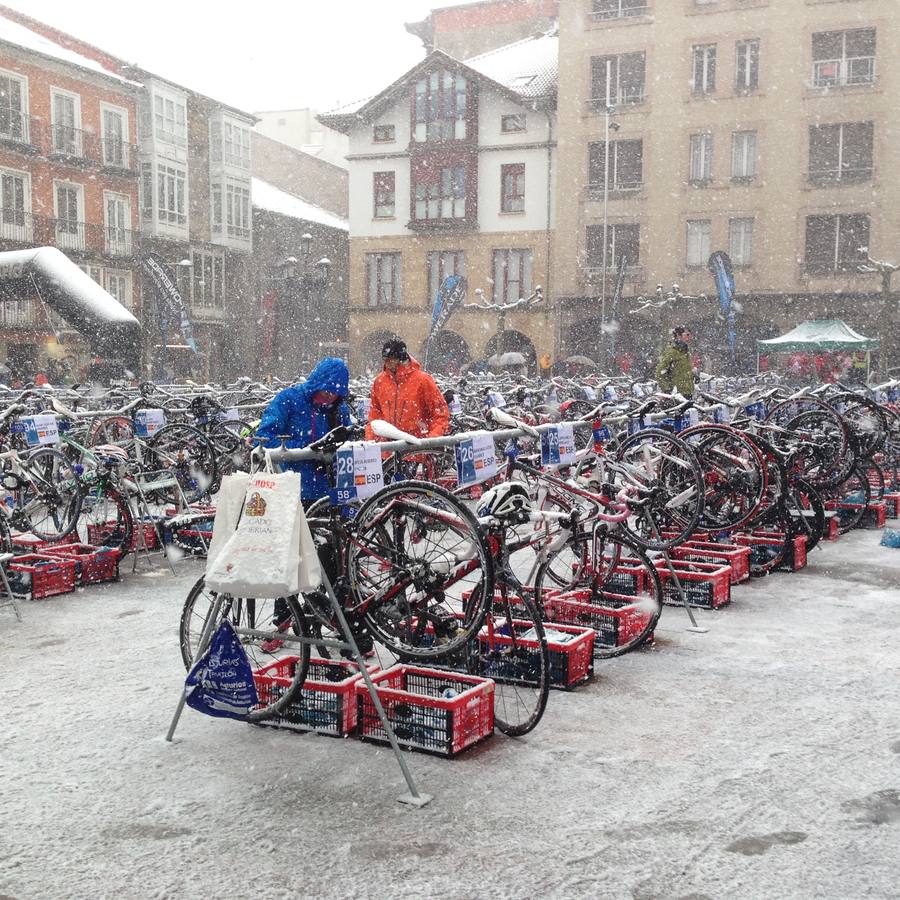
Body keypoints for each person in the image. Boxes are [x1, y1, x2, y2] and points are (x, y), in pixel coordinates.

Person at [255, 356, 352, 504]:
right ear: (317, 383)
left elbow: (348, 440)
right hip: (293, 489)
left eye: (335, 394)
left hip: (331, 489)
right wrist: (302, 449)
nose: (330, 397)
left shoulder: (339, 409)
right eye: (326, 392)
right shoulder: (288, 400)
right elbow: (263, 438)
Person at [366, 339, 449, 441]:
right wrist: (371, 439)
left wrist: (432, 440)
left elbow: (439, 413)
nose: (387, 363)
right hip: (387, 448)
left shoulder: (422, 380)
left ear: (401, 359)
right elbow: (375, 413)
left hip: (416, 447)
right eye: (385, 359)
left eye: (391, 359)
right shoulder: (379, 381)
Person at [656, 325, 696, 397]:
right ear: (678, 335)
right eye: (687, 335)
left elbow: (684, 370)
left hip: (687, 391)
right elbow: (659, 372)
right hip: (676, 394)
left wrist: (693, 375)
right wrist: (666, 389)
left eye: (690, 335)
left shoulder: (685, 351)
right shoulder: (672, 351)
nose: (689, 337)